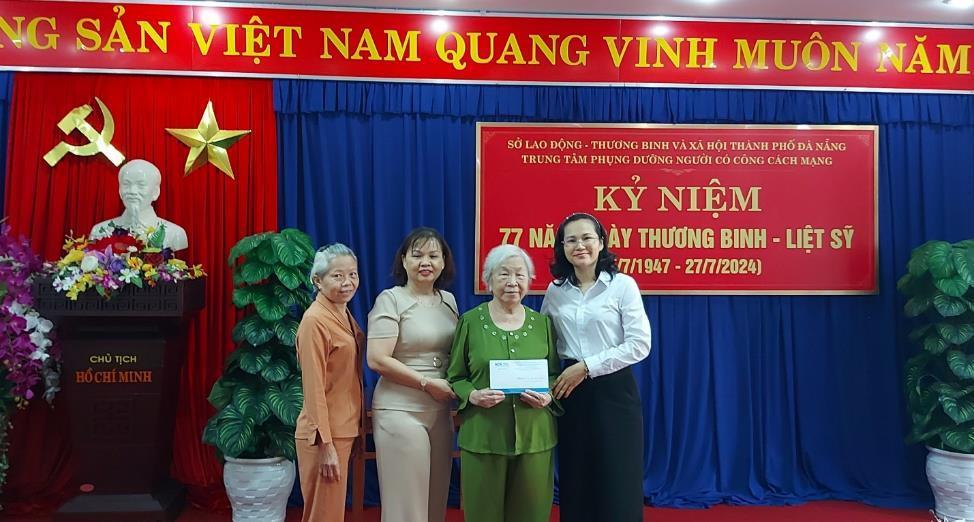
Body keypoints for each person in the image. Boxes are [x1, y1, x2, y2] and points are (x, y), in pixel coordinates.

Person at [540, 212, 651, 522]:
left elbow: (639, 344)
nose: (580, 245)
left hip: (614, 390)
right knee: (577, 479)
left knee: (618, 479)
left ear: (601, 242)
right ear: (561, 247)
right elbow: (545, 341)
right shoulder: (555, 291)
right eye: (571, 240)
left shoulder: (622, 286)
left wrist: (587, 367)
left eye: (587, 237)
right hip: (569, 393)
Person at [447, 244, 561, 522]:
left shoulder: (542, 323)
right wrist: (472, 395)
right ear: (488, 279)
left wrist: (548, 395)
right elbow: (456, 377)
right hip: (484, 435)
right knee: (483, 514)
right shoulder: (470, 322)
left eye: (520, 275)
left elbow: (554, 375)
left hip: (535, 435)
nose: (512, 282)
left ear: (530, 280)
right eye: (504, 274)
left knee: (531, 513)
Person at [366, 227, 459, 522]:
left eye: (433, 255)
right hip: (400, 408)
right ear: (403, 260)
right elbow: (377, 359)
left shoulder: (449, 301)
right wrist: (425, 383)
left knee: (435, 501)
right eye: (417, 255)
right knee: (406, 504)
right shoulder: (390, 299)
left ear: (444, 261)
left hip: (441, 409)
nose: (425, 262)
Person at [294, 244, 364, 522]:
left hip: (343, 427)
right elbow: (313, 388)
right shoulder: (315, 320)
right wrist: (325, 445)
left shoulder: (341, 312)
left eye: (353, 274)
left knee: (331, 513)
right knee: (323, 516)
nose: (348, 282)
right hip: (325, 434)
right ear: (317, 280)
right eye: (337, 276)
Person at [89, 159, 189, 251]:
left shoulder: (175, 234)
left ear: (155, 192)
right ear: (119, 190)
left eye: (141, 185)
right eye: (126, 184)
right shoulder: (99, 231)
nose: (132, 191)